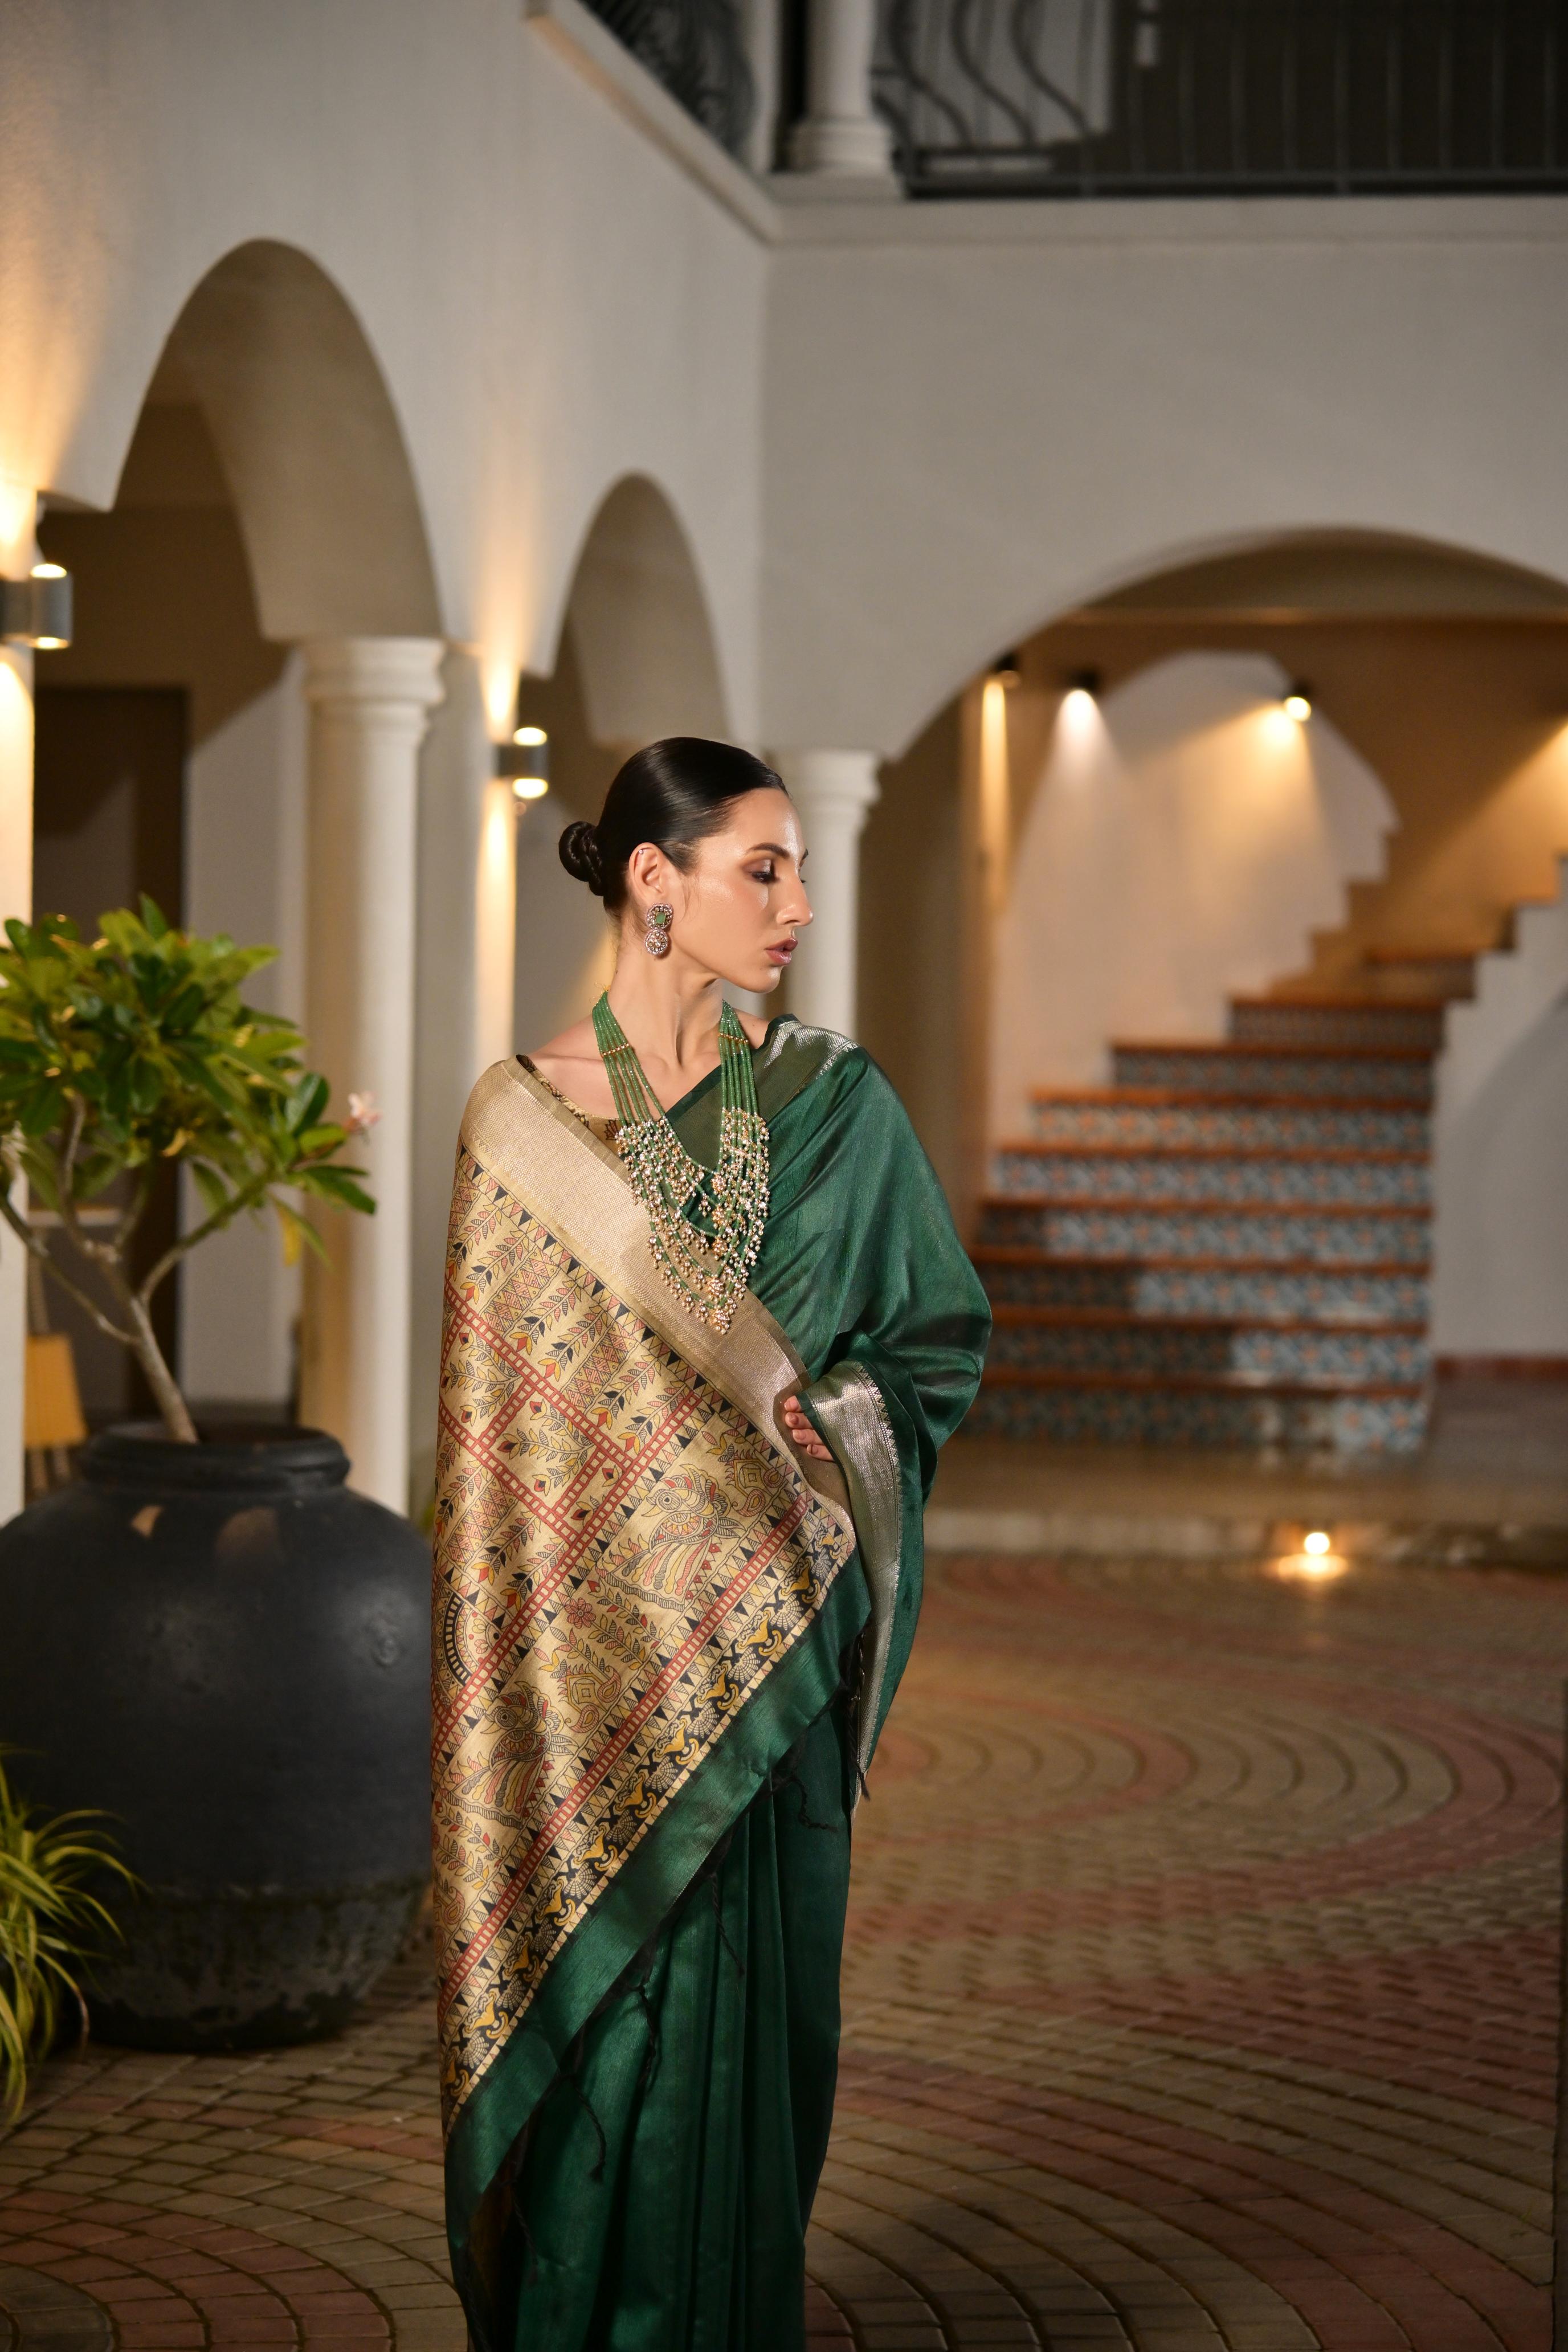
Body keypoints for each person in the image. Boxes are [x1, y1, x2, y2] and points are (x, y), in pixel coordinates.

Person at [432, 737, 990, 2351]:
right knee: (604, 2038)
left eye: (799, 870)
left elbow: (933, 1339)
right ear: (652, 880)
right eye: (766, 869)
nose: (800, 904)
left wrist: (851, 1416)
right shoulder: (520, 1129)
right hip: (588, 1700)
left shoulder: (836, 1107)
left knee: (762, 2044)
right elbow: (494, 1466)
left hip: (775, 1675)